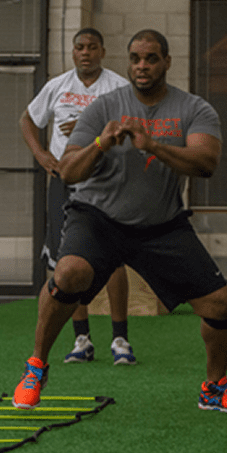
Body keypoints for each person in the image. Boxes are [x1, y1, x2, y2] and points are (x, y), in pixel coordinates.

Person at [12, 29, 227, 413]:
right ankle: (36, 366)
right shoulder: (104, 107)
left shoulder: (193, 109)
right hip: (97, 217)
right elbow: (70, 173)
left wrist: (153, 145)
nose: (143, 66)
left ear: (166, 62)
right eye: (136, 58)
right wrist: (99, 144)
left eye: (152, 58)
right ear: (128, 61)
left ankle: (214, 389)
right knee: (68, 273)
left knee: (220, 305)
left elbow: (206, 163)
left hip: (161, 224)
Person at [19, 28, 136, 365]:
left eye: (92, 47)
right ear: (73, 52)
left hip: (105, 180)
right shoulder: (57, 86)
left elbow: (132, 128)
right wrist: (41, 154)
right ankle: (81, 339)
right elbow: (27, 119)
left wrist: (91, 127)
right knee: (67, 258)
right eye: (80, 47)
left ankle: (120, 339)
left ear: (102, 51)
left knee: (113, 258)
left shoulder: (117, 87)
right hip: (64, 179)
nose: (86, 53)